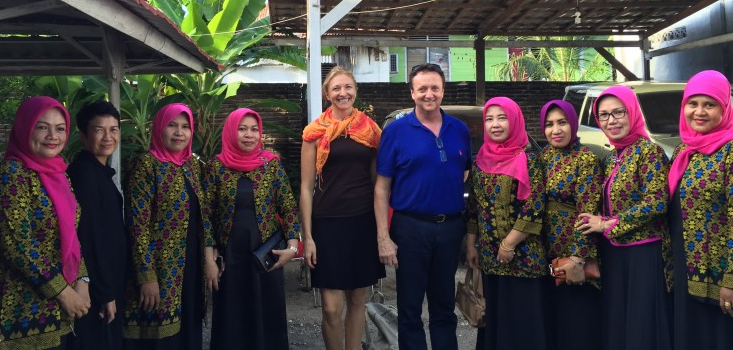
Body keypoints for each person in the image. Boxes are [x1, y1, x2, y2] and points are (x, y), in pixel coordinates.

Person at [374, 63, 471, 350]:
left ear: (443, 91)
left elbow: (463, 172)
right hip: (410, 228)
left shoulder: (459, 130)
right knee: (409, 308)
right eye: (423, 89)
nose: (429, 94)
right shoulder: (396, 132)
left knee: (443, 307)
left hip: (450, 228)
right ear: (412, 92)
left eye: (435, 88)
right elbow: (381, 187)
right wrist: (384, 238)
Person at [576, 86, 671, 350]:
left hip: (642, 254)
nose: (611, 120)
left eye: (618, 112)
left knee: (640, 324)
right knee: (618, 322)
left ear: (632, 112)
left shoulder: (648, 152)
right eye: (604, 115)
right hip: (615, 254)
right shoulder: (613, 155)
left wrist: (607, 223)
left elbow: (656, 201)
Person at [300, 66, 385, 350]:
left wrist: (382, 231)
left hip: (362, 222)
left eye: (348, 87)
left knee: (358, 299)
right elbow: (305, 188)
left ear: (356, 91)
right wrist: (307, 237)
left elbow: (379, 185)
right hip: (326, 224)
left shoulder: (372, 132)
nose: (342, 93)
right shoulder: (313, 133)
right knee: (331, 308)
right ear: (327, 94)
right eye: (336, 88)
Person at [204, 108, 300, 350]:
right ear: (230, 131)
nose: (249, 135)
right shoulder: (216, 167)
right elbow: (205, 215)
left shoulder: (271, 165)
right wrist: (209, 257)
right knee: (232, 316)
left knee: (267, 314)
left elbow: (288, 207)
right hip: (229, 258)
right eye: (242, 129)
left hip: (266, 257)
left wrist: (292, 246)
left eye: (254, 129)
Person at [0, 96, 91, 350]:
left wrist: (83, 281)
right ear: (24, 128)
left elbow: (71, 236)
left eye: (60, 128)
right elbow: (17, 244)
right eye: (42, 127)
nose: (53, 135)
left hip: (60, 310)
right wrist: (64, 292)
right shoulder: (12, 174)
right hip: (22, 311)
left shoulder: (59, 175)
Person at [122, 103, 214, 350]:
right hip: (160, 268)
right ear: (159, 128)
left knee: (187, 329)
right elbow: (137, 225)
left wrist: (209, 260)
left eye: (185, 127)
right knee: (160, 336)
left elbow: (203, 216)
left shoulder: (193, 166)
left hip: (190, 266)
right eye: (172, 125)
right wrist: (147, 276)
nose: (179, 132)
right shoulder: (145, 166)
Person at [465, 97, 548, 350]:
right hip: (490, 256)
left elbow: (535, 206)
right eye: (489, 119)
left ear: (514, 120)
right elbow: (474, 208)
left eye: (502, 118)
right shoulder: (480, 160)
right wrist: (470, 246)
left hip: (524, 257)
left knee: (522, 321)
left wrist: (509, 244)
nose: (495, 124)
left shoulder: (530, 159)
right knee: (495, 319)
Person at [667, 70, 733, 350]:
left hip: (719, 274)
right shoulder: (685, 149)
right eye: (692, 104)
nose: (699, 112)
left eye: (710, 104)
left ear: (725, 107)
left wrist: (731, 280)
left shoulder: (730, 150)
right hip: (685, 266)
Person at [538, 100, 602, 350]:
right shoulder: (544, 156)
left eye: (562, 122)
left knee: (576, 321)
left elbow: (588, 213)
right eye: (549, 124)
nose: (556, 130)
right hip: (547, 251)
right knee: (553, 319)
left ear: (573, 124)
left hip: (573, 252)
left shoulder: (585, 159)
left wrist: (578, 258)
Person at [67, 100, 127, 350]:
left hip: (106, 280)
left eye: (113, 129)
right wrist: (105, 293)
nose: (107, 137)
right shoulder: (84, 174)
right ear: (82, 135)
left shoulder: (98, 170)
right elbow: (90, 236)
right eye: (99, 129)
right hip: (95, 288)